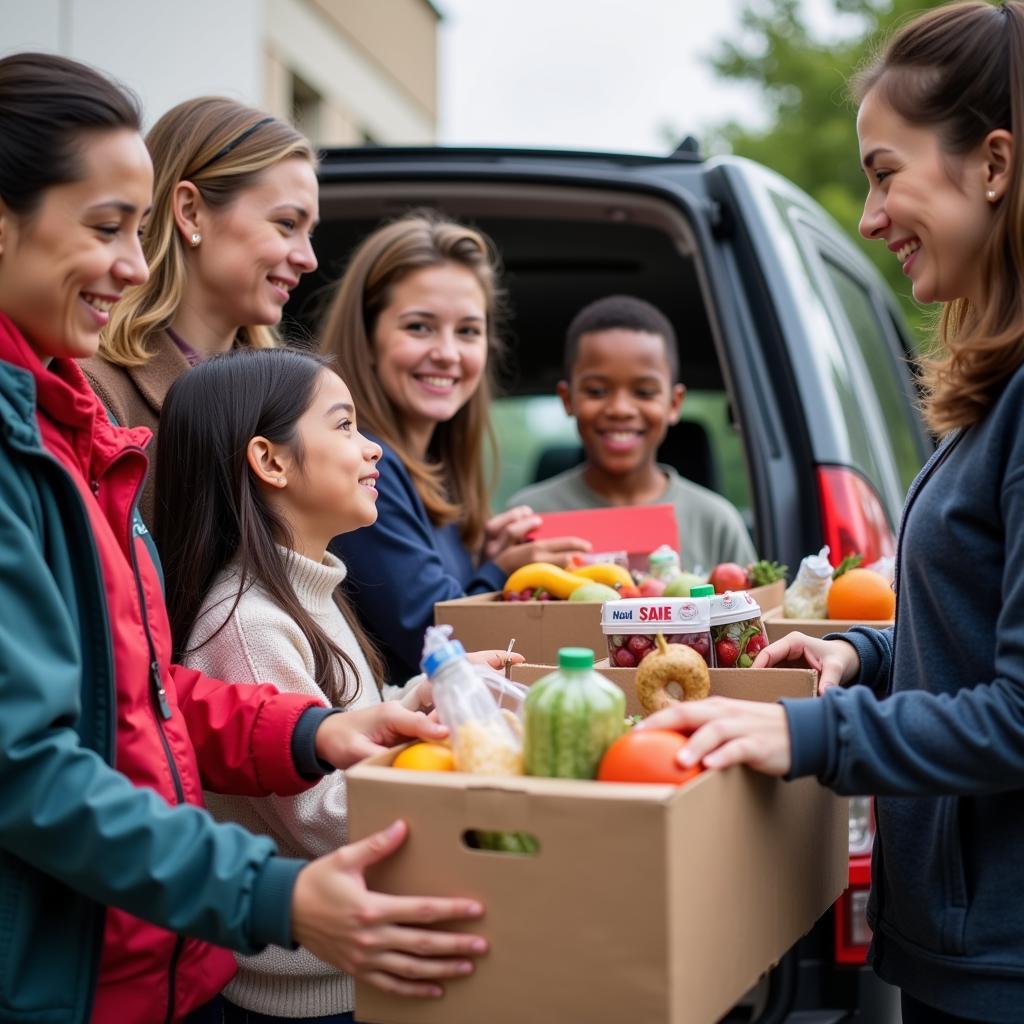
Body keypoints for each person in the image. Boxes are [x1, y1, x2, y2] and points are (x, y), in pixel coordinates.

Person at [0, 53, 486, 1024]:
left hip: (162, 942)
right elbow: (36, 760)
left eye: (133, 232)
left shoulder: (71, 423)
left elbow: (131, 687)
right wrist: (268, 891)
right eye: (105, 227)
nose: (130, 265)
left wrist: (309, 728)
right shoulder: (74, 418)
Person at [639, 4, 1024, 1022]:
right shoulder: (993, 397)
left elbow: (1020, 715)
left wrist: (805, 733)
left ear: (992, 163)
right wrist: (865, 655)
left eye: (885, 171)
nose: (867, 213)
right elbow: (979, 650)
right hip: (961, 942)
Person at [156, 347, 523, 1024]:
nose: (373, 450)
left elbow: (349, 723)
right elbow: (327, 819)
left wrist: (415, 701)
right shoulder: (246, 624)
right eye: (345, 426)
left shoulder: (310, 589)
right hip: (310, 996)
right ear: (271, 461)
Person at [320, 211, 589, 681]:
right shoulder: (364, 466)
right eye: (420, 327)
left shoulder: (438, 476)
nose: (447, 352)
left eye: (467, 331)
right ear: (366, 338)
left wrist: (482, 561)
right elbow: (436, 636)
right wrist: (503, 572)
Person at [82, 95, 319, 525]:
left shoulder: (294, 400)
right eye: (286, 224)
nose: (308, 258)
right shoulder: (97, 391)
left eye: (309, 232)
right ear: (190, 212)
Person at [505, 295, 756, 573]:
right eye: (597, 391)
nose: (620, 409)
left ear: (674, 404)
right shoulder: (530, 517)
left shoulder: (715, 522)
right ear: (567, 399)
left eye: (644, 392)